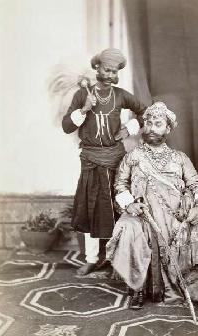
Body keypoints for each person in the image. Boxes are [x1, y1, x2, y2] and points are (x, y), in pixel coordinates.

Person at [106, 102, 198, 319]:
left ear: (167, 129)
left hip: (177, 215)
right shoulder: (133, 156)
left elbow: (197, 186)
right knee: (128, 227)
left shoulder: (180, 158)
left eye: (157, 124)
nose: (150, 128)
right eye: (148, 123)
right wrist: (129, 204)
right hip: (144, 215)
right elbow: (120, 186)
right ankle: (137, 287)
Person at [62, 48, 146, 275]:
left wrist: (128, 130)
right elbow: (67, 126)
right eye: (107, 70)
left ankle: (115, 258)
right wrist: (85, 109)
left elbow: (144, 112)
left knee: (116, 207)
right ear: (97, 67)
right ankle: (91, 258)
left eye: (115, 71)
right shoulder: (82, 95)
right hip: (89, 159)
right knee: (90, 209)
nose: (110, 75)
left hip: (115, 160)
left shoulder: (120, 95)